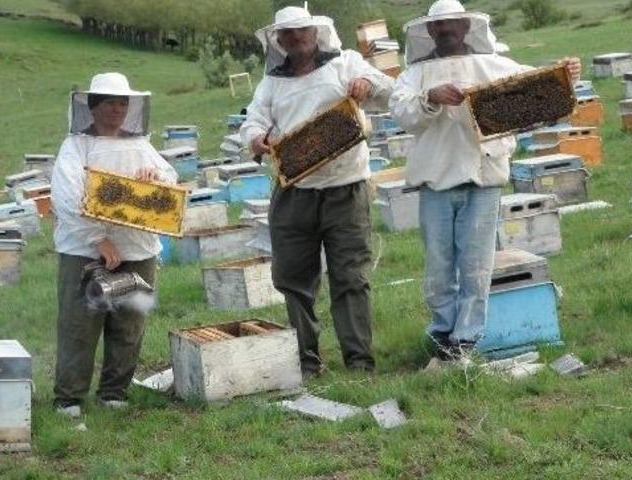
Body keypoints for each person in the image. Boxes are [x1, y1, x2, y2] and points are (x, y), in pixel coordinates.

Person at [389, 0, 581, 360]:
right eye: (439, 25)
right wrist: (430, 98)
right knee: (439, 267)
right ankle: (442, 333)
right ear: (428, 31)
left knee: (476, 265)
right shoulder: (414, 75)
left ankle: (467, 339)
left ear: (466, 27)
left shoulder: (494, 65)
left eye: (453, 24)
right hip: (435, 181)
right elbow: (401, 112)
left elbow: (538, 85)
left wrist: (568, 71)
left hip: (484, 176)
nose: (446, 30)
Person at [241, 6, 394, 376]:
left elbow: (390, 90)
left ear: (317, 33)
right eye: (287, 34)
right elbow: (252, 123)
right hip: (294, 191)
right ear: (277, 40)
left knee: (351, 277)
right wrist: (258, 139)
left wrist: (367, 85)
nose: (295, 38)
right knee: (293, 280)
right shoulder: (271, 83)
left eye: (301, 31)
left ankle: (359, 361)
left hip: (345, 188)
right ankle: (306, 362)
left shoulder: (347, 63)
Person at [51, 72, 178, 417]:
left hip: (138, 248)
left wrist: (156, 178)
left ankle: (114, 393)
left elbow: (170, 181)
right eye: (110, 103)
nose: (118, 109)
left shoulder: (140, 145)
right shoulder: (76, 146)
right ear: (92, 107)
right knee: (81, 323)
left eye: (123, 103)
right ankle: (69, 398)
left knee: (129, 321)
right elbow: (66, 198)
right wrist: (99, 239)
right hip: (85, 250)